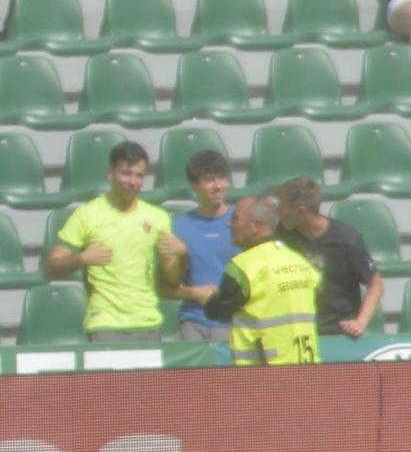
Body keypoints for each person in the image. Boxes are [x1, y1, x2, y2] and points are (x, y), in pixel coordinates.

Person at [43, 140, 181, 344]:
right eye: (126, 173)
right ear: (110, 173)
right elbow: (50, 269)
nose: (133, 181)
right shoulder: (87, 215)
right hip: (105, 324)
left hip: (148, 323)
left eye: (139, 176)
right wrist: (81, 259)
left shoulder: (158, 218)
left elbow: (172, 277)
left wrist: (181, 255)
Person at [203, 196, 323, 365]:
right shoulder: (300, 262)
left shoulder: (243, 266)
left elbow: (217, 312)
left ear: (256, 225)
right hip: (308, 367)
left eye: (235, 218)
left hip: (263, 374)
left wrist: (205, 298)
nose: (229, 224)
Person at [276, 176, 383, 338]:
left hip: (336, 333)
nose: (279, 212)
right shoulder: (282, 234)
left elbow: (376, 285)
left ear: (301, 210)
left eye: (282, 206)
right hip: (297, 332)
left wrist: (360, 323)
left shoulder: (346, 240)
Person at [164, 149, 234, 343]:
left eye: (221, 178)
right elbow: (165, 287)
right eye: (209, 180)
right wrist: (194, 293)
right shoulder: (179, 226)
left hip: (235, 322)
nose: (218, 186)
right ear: (194, 185)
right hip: (193, 323)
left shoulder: (242, 222)